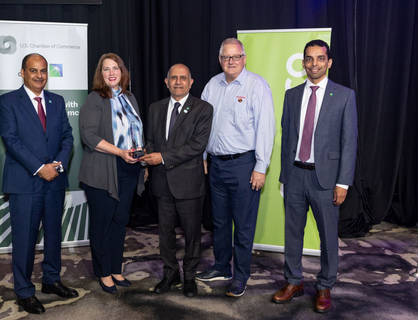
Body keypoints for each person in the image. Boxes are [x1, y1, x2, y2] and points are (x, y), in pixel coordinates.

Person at [272, 40, 358, 313]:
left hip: (327, 180)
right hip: (295, 176)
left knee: (327, 236)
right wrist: (285, 176)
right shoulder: (293, 95)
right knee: (292, 233)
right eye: (309, 59)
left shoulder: (344, 95)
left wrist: (343, 182)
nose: (314, 64)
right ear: (303, 63)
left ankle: (324, 285)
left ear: (329, 62)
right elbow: (287, 138)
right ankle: (293, 281)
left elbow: (349, 142)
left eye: (319, 59)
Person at [196, 38, 276, 297]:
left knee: (242, 225)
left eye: (236, 56)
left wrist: (261, 166)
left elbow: (266, 127)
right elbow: (203, 125)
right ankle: (221, 267)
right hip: (216, 165)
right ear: (220, 60)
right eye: (226, 57)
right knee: (219, 222)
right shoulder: (212, 85)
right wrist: (204, 156)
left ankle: (241, 276)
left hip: (244, 165)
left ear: (244, 58)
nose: (231, 61)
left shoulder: (256, 85)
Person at [0, 53, 77, 314]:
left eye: (43, 71)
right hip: (25, 182)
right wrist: (40, 168)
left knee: (54, 234)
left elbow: (67, 136)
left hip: (54, 180)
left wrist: (58, 164)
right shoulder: (8, 101)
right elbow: (11, 140)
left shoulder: (57, 101)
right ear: (22, 73)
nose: (39, 75)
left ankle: (52, 280)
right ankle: (24, 291)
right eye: (33, 71)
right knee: (25, 239)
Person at [140, 64, 213, 297]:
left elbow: (197, 146)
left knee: (192, 234)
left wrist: (161, 157)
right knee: (165, 235)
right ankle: (170, 274)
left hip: (189, 184)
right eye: (174, 78)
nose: (178, 82)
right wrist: (148, 156)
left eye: (183, 78)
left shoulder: (203, 108)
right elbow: (150, 140)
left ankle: (189, 276)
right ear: (166, 81)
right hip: (162, 183)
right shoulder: (155, 108)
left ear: (191, 82)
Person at [78, 53, 144, 295]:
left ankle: (116, 269)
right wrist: (120, 152)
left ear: (122, 71)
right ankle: (104, 272)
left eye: (115, 68)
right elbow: (89, 136)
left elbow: (136, 132)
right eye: (106, 69)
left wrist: (142, 164)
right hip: (103, 171)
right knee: (102, 224)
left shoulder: (130, 98)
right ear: (101, 74)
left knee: (119, 222)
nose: (112, 72)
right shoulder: (95, 99)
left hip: (129, 168)